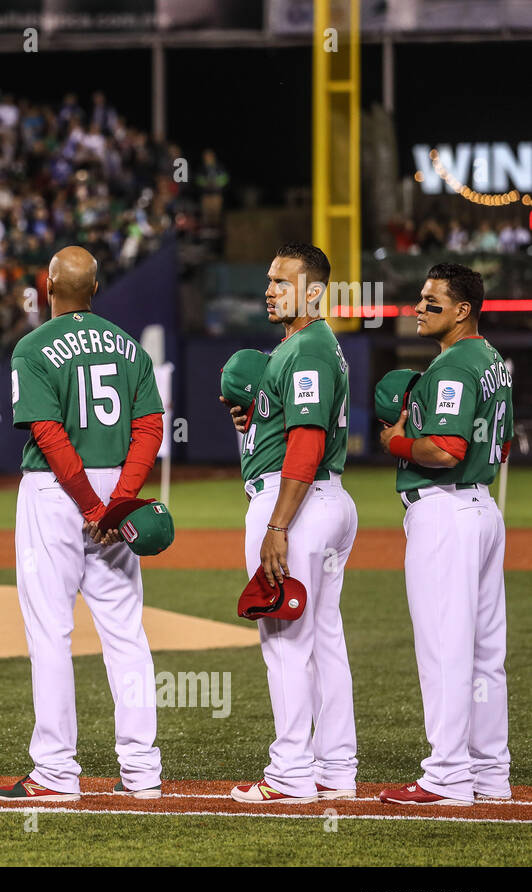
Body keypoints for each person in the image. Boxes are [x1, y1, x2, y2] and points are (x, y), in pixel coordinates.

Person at [0, 245, 164, 802]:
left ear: (48, 286)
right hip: (115, 492)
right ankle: (142, 772)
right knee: (126, 634)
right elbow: (151, 427)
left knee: (50, 632)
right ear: (95, 288)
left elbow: (48, 435)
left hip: (56, 494)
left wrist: (91, 506)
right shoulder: (129, 347)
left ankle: (57, 772)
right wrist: (121, 500)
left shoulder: (33, 347)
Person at [219, 243, 358, 805]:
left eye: (283, 281)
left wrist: (278, 527)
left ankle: (290, 774)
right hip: (323, 500)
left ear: (315, 291)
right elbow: (292, 425)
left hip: (294, 502)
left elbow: (307, 440)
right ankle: (335, 769)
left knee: (284, 641)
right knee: (323, 640)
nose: (271, 289)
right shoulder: (305, 347)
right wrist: (255, 417)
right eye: (270, 280)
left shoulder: (307, 348)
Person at [377, 263, 511, 807]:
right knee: (484, 653)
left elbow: (445, 450)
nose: (419, 307)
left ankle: (447, 774)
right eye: (420, 297)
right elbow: (498, 448)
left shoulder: (454, 366)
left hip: (447, 511)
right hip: (482, 509)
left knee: (444, 651)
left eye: (433, 301)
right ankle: (490, 773)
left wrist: (395, 443)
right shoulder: (495, 362)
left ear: (463, 311)